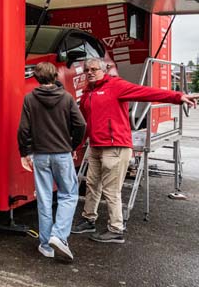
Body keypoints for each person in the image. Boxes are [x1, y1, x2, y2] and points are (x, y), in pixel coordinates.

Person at [71, 57, 199, 243]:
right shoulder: (88, 93)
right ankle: (89, 219)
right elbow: (85, 122)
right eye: (86, 70)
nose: (89, 72)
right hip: (96, 146)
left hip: (115, 147)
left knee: (111, 190)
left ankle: (115, 229)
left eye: (93, 69)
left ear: (104, 70)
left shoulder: (116, 85)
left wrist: (178, 97)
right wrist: (79, 144)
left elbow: (146, 93)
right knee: (91, 185)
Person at [18, 62, 86, 262]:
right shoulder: (66, 98)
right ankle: (59, 235)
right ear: (55, 76)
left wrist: (24, 153)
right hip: (62, 154)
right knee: (69, 195)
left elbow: (23, 129)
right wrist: (72, 145)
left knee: (45, 199)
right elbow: (81, 124)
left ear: (37, 78)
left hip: (40, 155)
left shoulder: (30, 98)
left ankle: (46, 244)